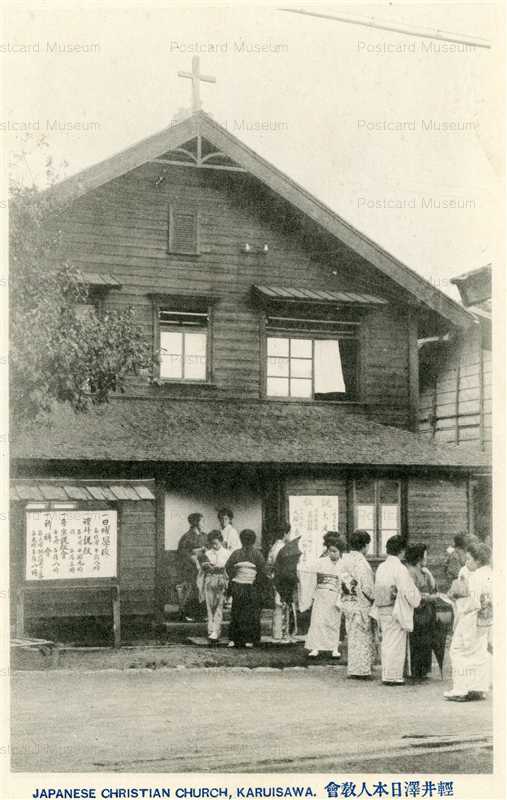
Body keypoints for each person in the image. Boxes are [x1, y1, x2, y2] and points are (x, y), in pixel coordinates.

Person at [445, 542, 493, 702]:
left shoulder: (476, 577)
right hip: (486, 618)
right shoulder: (491, 574)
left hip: (472, 618)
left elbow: (472, 602)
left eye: (469, 559)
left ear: (478, 561)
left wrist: (459, 604)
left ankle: (461, 689)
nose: (467, 562)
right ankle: (478, 688)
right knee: (479, 652)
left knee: (458, 650)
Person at [371, 534, 421, 685]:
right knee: (396, 642)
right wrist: (417, 599)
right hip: (395, 608)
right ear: (402, 551)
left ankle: (387, 674)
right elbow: (407, 590)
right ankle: (392, 676)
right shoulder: (400, 568)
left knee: (387, 641)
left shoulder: (381, 567)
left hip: (382, 607)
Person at [300, 531, 346, 658]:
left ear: (340, 552)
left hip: (335, 595)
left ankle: (334, 648)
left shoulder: (343, 565)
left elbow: (346, 581)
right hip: (321, 594)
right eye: (330, 551)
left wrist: (342, 595)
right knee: (317, 622)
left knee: (333, 623)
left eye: (335, 551)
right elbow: (307, 570)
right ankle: (315, 647)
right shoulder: (320, 562)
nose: (332, 554)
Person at [340, 530, 375, 678]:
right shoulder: (362, 563)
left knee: (353, 636)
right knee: (362, 637)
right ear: (365, 545)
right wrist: (373, 598)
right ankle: (361, 670)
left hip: (348, 601)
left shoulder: (344, 560)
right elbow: (367, 588)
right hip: (361, 603)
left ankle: (354, 668)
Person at [225, 529, 268, 648]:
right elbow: (262, 571)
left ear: (241, 540)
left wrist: (236, 576)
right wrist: (256, 582)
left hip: (238, 586)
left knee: (237, 612)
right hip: (252, 586)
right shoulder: (257, 554)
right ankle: (250, 639)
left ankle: (235, 639)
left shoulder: (236, 553)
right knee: (251, 613)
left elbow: (228, 568)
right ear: (253, 540)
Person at [405, 543, 439, 681]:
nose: (427, 558)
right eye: (425, 556)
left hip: (426, 610)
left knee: (426, 639)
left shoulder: (424, 571)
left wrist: (429, 574)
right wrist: (428, 597)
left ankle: (423, 670)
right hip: (417, 610)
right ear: (418, 557)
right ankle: (416, 670)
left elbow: (433, 587)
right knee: (417, 640)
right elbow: (412, 593)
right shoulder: (411, 572)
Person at [198, 530, 229, 642]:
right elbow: (203, 569)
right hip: (209, 580)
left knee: (219, 606)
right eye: (212, 544)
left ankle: (216, 630)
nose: (214, 546)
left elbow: (229, 569)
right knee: (209, 606)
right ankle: (210, 630)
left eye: (216, 543)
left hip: (221, 581)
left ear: (221, 541)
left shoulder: (227, 553)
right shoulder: (208, 554)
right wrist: (206, 566)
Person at [176, 512, 207, 621]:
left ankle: (201, 614)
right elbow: (181, 552)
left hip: (202, 566)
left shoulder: (204, 536)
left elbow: (208, 548)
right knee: (193, 589)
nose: (203, 523)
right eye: (202, 521)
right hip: (190, 568)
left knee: (203, 589)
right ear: (195, 523)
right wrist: (192, 556)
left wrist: (204, 551)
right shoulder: (186, 537)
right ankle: (189, 614)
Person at [266, 523, 294, 641]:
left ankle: (276, 633)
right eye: (289, 533)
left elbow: (268, 565)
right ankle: (284, 634)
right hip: (284, 579)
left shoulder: (273, 547)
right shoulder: (285, 548)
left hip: (275, 578)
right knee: (284, 605)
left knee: (277, 606)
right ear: (285, 533)